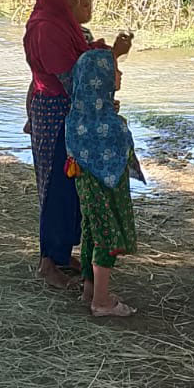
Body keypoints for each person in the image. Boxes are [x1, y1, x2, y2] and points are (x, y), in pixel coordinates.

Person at [24, 0, 132, 290]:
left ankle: (60, 254)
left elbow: (85, 71)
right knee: (57, 185)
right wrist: (112, 55)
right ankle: (49, 261)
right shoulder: (46, 28)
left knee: (73, 188)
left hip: (73, 111)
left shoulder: (66, 25)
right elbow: (74, 80)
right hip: (57, 112)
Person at [65, 48, 142, 317]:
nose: (119, 74)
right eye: (114, 70)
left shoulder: (78, 118)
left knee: (91, 231)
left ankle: (90, 289)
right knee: (107, 235)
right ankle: (102, 301)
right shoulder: (109, 124)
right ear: (100, 79)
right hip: (107, 190)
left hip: (88, 189)